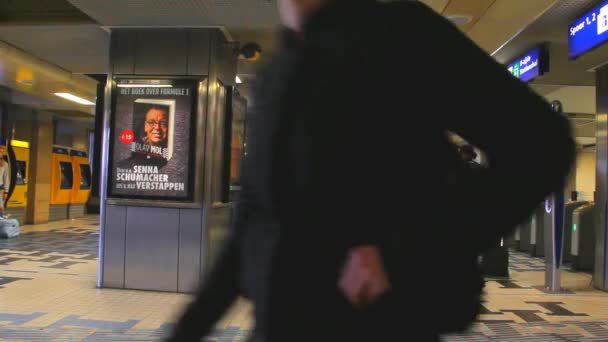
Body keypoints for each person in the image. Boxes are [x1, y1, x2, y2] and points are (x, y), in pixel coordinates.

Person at [169, 0, 574, 341]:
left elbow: (541, 145)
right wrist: (190, 327)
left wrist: (402, 256)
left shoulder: (397, 34)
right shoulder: (280, 69)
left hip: (379, 325)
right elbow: (255, 218)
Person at [0, 145, 9, 219]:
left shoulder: (4, 164)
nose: (0, 153)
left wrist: (6, 191)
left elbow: (6, 178)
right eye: (0, 151)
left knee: (1, 207)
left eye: (2, 152)